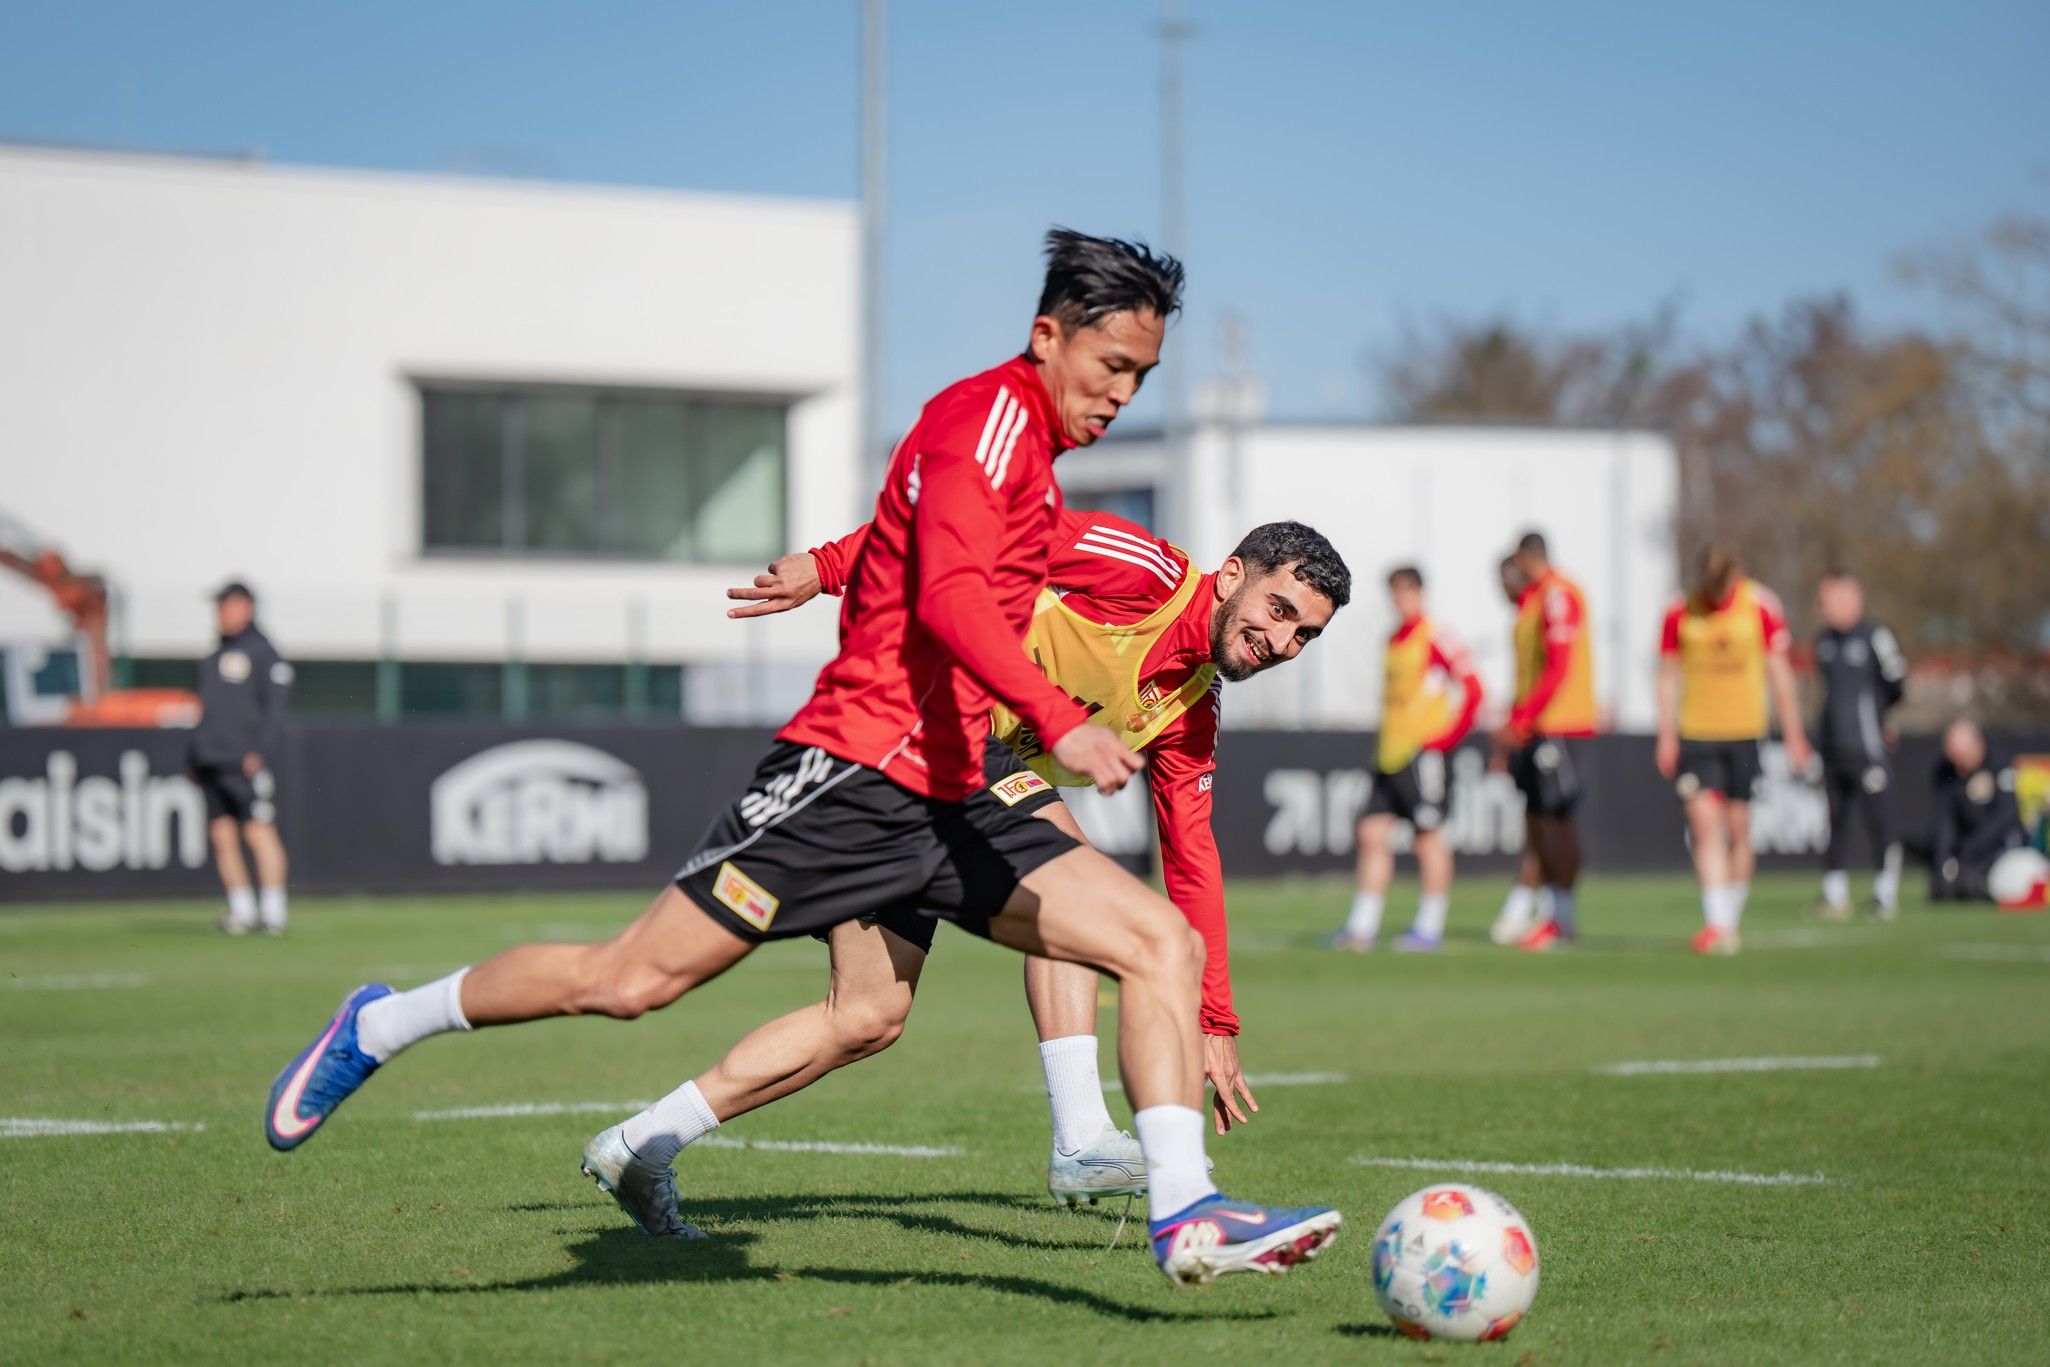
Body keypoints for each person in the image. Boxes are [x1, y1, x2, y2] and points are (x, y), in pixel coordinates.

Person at [262, 229, 1341, 1286]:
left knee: (1149, 944)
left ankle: (1184, 1211)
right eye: (1111, 366)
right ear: (1047, 334)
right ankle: (380, 1021)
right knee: (631, 980)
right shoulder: (984, 427)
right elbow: (948, 590)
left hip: (959, 784)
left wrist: (1216, 1022)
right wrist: (1049, 715)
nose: (1120, 395)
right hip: (856, 768)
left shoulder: (1044, 479)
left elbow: (1180, 841)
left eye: (1140, 377)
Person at [719, 510, 1348, 1200]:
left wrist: (1215, 1020)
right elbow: (965, 530)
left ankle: (641, 1143)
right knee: (1076, 886)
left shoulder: (1192, 709)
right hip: (917, 714)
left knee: (865, 1016)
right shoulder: (1143, 571)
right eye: (1279, 609)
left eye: (1306, 635)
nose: (1283, 641)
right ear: (1231, 575)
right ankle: (1080, 1139)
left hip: (941, 787)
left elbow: (1191, 855)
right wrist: (829, 565)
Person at [1656, 546, 1812, 954]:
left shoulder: (1760, 604)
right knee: (1705, 826)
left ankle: (1730, 917)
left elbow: (1780, 673)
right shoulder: (1679, 610)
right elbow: (1668, 677)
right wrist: (1666, 734)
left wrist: (1793, 734)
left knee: (1738, 828)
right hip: (1697, 732)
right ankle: (1717, 923)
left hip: (1745, 731)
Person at [1332, 566, 1481, 952]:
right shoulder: (1393, 640)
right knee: (1371, 834)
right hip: (1389, 754)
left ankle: (1429, 927)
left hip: (1421, 754)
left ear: (1420, 592)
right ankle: (1362, 926)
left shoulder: (1436, 636)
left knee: (1427, 838)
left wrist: (1443, 739)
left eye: (1407, 592)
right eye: (1395, 594)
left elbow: (1474, 689)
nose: (1401, 601)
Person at [1495, 532, 1597, 951]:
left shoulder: (1557, 594)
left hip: (1560, 724)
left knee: (1558, 821)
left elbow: (1558, 668)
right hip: (1536, 727)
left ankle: (1562, 917)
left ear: (1525, 557)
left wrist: (1521, 719)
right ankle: (1549, 913)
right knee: (1538, 820)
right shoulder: (1535, 600)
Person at [188, 582, 292, 935]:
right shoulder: (216, 653)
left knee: (258, 831)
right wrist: (194, 754)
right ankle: (242, 910)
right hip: (211, 759)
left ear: (245, 606)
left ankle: (274, 911)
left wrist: (260, 751)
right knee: (222, 835)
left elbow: (275, 710)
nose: (220, 613)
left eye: (226, 606)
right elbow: (206, 711)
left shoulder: (262, 652)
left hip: (244, 760)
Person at [1811, 571, 1908, 920]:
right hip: (1833, 750)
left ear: (1851, 598)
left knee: (1878, 820)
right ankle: (1834, 894)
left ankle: (1885, 893)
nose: (1823, 607)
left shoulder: (1875, 637)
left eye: (1828, 600)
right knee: (1834, 823)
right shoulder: (1823, 643)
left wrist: (1882, 719)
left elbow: (1897, 683)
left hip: (1867, 748)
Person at [1928, 720, 2027, 901]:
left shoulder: (2000, 761)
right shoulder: (1944, 771)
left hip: (2002, 847)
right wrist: (1944, 861)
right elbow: (1944, 822)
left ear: (1978, 745)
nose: (1959, 768)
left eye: (1963, 757)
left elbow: (2006, 815)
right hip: (1966, 847)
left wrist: (1970, 851)